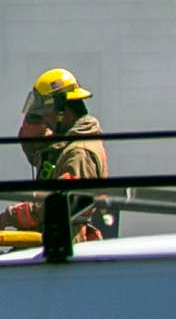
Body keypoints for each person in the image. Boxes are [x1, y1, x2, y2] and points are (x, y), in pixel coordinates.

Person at [13, 67, 112, 247]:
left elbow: (60, 204)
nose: (44, 120)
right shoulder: (63, 144)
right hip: (56, 236)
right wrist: (33, 117)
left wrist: (13, 215)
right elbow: (35, 149)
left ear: (62, 111)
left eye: (46, 112)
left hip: (68, 243)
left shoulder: (79, 152)